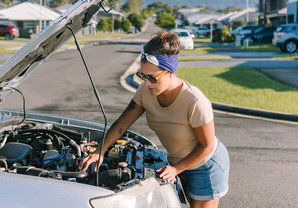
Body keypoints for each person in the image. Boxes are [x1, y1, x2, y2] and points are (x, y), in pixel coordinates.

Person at [79, 30, 230, 208]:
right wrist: (100, 150)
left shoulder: (194, 101)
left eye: (153, 77)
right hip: (178, 162)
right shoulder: (145, 91)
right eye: (143, 76)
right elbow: (122, 123)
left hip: (204, 165)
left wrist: (176, 169)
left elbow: (208, 146)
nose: (147, 83)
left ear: (170, 72)